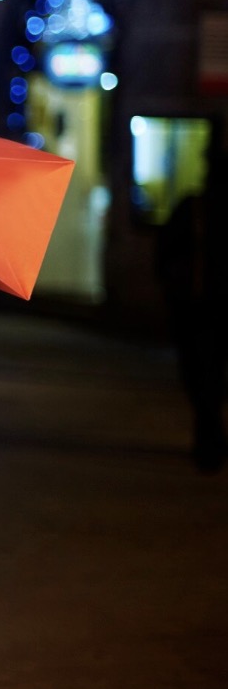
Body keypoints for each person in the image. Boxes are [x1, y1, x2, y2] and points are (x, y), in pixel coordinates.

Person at [155, 145, 228, 473]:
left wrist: (172, 292)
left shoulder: (193, 207)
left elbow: (164, 253)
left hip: (194, 309)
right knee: (214, 375)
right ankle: (212, 434)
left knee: (198, 375)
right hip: (215, 309)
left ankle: (208, 435)